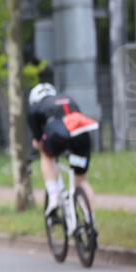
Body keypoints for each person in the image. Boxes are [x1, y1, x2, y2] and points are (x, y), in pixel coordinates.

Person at [27, 82, 99, 221]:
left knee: (46, 155)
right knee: (82, 181)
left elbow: (38, 140)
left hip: (58, 138)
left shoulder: (36, 107)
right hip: (82, 137)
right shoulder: (68, 98)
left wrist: (38, 143)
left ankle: (54, 197)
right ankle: (91, 221)